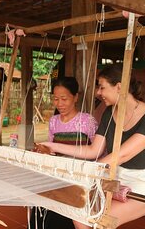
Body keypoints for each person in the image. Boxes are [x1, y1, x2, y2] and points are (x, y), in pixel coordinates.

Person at [36, 65, 145, 228]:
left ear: (119, 87)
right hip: (116, 180)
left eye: (102, 87)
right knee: (78, 213)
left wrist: (87, 171)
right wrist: (52, 146)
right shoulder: (109, 112)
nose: (98, 92)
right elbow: (93, 150)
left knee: (93, 218)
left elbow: (122, 155)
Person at [30, 77, 98, 229]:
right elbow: (52, 151)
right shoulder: (54, 121)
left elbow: (98, 152)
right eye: (55, 99)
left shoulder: (87, 121)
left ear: (75, 97)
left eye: (64, 99)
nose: (59, 104)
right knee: (40, 204)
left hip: (80, 178)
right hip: (58, 175)